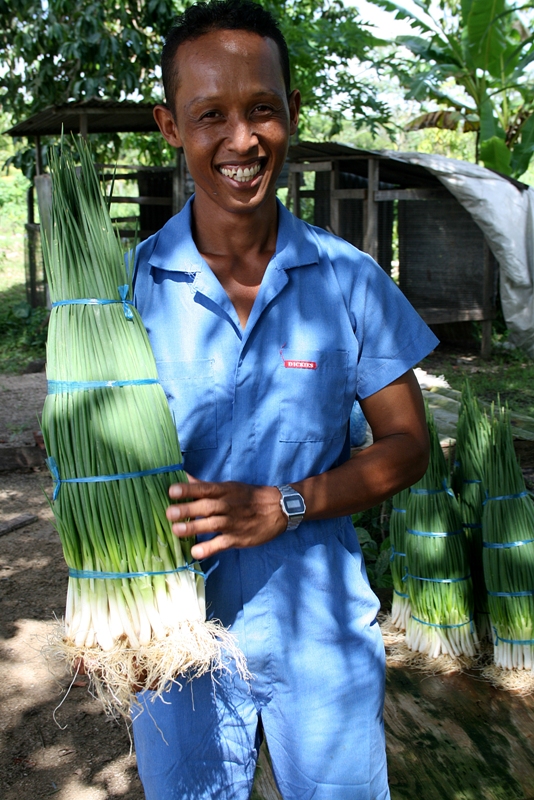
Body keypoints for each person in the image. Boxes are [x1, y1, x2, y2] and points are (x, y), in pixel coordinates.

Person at [131, 1, 438, 798]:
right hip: (175, 634)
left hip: (320, 631)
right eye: (211, 117)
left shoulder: (348, 280)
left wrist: (288, 504)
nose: (241, 141)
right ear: (171, 127)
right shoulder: (123, 294)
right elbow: (87, 464)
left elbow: (409, 444)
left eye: (262, 109)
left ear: (292, 115)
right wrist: (109, 598)